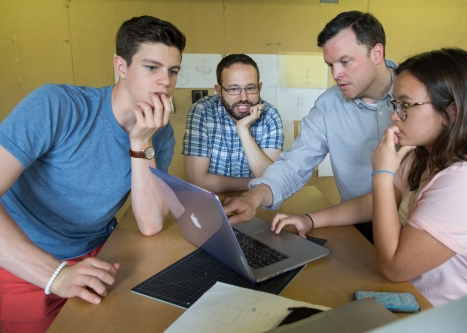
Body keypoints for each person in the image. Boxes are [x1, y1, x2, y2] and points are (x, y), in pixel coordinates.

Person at [271, 48, 467, 312]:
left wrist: (381, 173)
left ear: (451, 112)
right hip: (410, 298)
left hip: (445, 317)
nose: (395, 116)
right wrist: (309, 220)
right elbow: (374, 203)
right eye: (394, 104)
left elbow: (394, 266)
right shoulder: (425, 156)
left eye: (405, 105)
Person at [0, 16, 186, 332]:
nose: (165, 82)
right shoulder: (56, 105)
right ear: (121, 66)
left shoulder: (159, 133)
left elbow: (151, 223)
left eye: (173, 71)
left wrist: (141, 143)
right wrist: (54, 275)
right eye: (151, 68)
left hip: (97, 253)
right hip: (24, 259)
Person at [223, 11, 396, 242]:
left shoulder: (418, 93)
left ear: (376, 53)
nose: (336, 74)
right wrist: (253, 197)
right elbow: (294, 164)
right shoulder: (328, 106)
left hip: (419, 226)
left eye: (345, 62)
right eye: (330, 65)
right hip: (358, 225)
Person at [182, 54, 283, 193]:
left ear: (259, 87)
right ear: (219, 90)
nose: (243, 98)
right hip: (213, 204)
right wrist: (256, 182)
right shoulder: (202, 111)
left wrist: (243, 129)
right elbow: (197, 182)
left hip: (257, 203)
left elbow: (272, 179)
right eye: (233, 89)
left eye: (250, 88)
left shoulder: (270, 115)